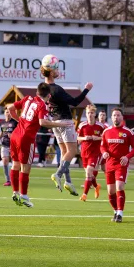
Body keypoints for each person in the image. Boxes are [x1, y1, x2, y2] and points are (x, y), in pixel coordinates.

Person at [6, 82, 70, 208]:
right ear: (49, 95)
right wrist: (60, 124)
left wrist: (20, 121)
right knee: (26, 168)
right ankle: (24, 196)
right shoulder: (42, 105)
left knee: (15, 165)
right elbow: (42, 122)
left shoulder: (27, 99)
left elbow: (10, 108)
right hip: (26, 138)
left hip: (15, 135)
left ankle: (15, 192)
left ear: (37, 93)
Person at [41, 54, 94, 196]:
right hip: (65, 122)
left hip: (55, 123)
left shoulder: (43, 89)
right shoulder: (56, 89)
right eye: (57, 69)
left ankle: (68, 182)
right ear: (51, 72)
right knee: (72, 150)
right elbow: (76, 102)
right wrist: (87, 89)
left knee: (65, 153)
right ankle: (58, 174)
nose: (59, 71)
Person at [101, 108, 134, 222]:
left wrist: (127, 157)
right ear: (111, 117)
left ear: (122, 117)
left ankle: (120, 214)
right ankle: (115, 211)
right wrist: (104, 153)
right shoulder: (106, 132)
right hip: (109, 164)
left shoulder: (128, 132)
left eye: (118, 115)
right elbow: (102, 146)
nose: (116, 117)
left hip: (121, 164)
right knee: (110, 191)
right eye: (114, 115)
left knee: (119, 187)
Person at [77, 104, 105, 201]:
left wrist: (97, 138)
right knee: (90, 175)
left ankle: (84, 195)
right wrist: (84, 138)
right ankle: (96, 186)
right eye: (88, 113)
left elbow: (105, 137)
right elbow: (78, 138)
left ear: (95, 114)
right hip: (84, 152)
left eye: (92, 113)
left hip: (95, 153)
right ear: (86, 114)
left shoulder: (100, 126)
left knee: (89, 173)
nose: (90, 114)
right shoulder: (82, 125)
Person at [0, 108, 18, 186]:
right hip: (4, 144)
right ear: (4, 113)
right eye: (6, 112)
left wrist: (13, 136)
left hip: (13, 145)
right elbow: (2, 131)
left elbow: (19, 133)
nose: (8, 113)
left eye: (9, 112)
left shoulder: (15, 123)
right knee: (5, 161)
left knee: (15, 163)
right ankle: (8, 180)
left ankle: (15, 179)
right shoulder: (1, 123)